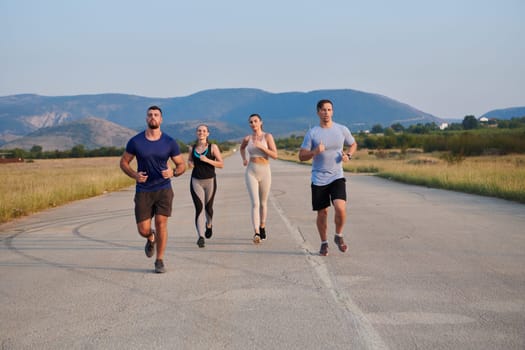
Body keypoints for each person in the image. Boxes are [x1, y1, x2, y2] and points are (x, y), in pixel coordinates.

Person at [120, 105, 186, 273]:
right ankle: (150, 237)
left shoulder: (169, 142)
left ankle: (159, 260)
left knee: (161, 223)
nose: (153, 117)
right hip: (143, 190)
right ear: (146, 119)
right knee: (143, 229)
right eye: (150, 115)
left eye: (156, 115)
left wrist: (173, 172)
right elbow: (124, 162)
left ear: (161, 119)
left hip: (164, 189)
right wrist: (135, 175)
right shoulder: (136, 141)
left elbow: (181, 165)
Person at [298, 99, 357, 256]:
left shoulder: (341, 130)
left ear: (333, 112)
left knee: (340, 208)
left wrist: (348, 155)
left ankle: (338, 235)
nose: (326, 113)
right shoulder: (313, 133)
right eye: (323, 110)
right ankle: (324, 243)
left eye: (329, 110)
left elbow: (353, 144)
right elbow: (301, 156)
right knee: (322, 213)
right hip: (318, 178)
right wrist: (314, 152)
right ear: (318, 112)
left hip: (337, 175)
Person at [239, 113, 278, 243]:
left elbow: (275, 155)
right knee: (255, 203)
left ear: (261, 122)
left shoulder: (267, 136)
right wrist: (244, 159)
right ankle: (256, 232)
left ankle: (262, 226)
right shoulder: (247, 138)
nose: (253, 124)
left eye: (255, 121)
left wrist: (262, 147)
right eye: (251, 122)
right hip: (251, 171)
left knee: (263, 203)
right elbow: (242, 148)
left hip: (265, 170)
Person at [187, 124, 224, 248]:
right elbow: (190, 160)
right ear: (196, 133)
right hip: (196, 180)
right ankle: (201, 236)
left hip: (210, 181)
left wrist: (207, 160)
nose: (201, 132)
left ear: (208, 133)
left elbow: (221, 164)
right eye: (199, 130)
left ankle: (209, 225)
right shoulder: (192, 148)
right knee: (199, 208)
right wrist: (190, 163)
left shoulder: (213, 147)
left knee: (208, 208)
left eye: (204, 131)